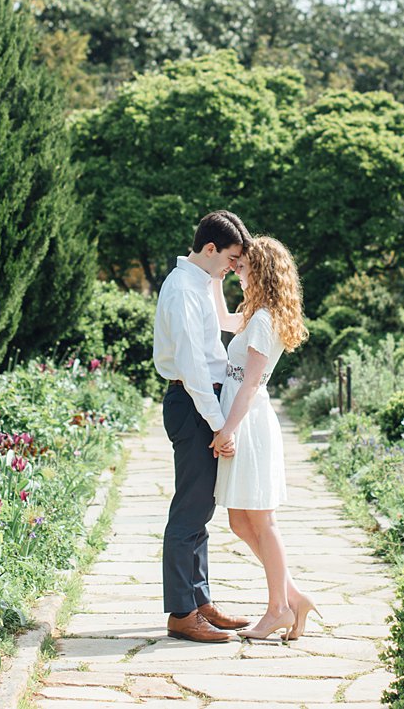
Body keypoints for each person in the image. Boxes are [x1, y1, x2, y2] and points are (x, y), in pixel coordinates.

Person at [209, 236, 317, 641]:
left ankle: (277, 609)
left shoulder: (263, 320)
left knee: (261, 519)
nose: (239, 272)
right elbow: (222, 319)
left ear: (263, 271)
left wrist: (226, 430)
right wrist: (217, 276)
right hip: (246, 419)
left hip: (248, 423)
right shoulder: (258, 314)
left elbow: (249, 385)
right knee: (240, 520)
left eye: (243, 267)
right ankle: (293, 597)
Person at [154, 210, 254, 643]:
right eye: (231, 258)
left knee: (202, 509)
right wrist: (219, 425)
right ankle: (181, 614)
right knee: (189, 509)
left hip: (201, 403)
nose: (233, 267)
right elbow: (193, 367)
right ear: (210, 249)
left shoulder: (201, 285)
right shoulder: (181, 291)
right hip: (193, 403)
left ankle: (200, 599)